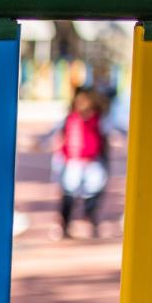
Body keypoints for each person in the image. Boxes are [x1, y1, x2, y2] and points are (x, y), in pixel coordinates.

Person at [45, 86, 114, 240]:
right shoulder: (70, 118)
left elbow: (107, 137)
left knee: (94, 192)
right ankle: (64, 224)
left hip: (92, 162)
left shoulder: (99, 119)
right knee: (68, 194)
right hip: (72, 162)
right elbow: (56, 135)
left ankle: (90, 218)